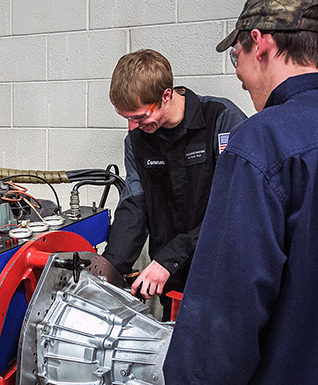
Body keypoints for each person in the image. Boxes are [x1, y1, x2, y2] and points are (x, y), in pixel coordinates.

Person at [164, 0, 318, 384]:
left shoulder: (261, 141)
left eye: (236, 57)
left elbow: (225, 315)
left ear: (260, 43)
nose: (238, 74)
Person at [102, 49, 246, 321]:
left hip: (221, 271)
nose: (133, 127)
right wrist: (106, 272)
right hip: (171, 278)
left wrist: (169, 259)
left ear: (165, 95)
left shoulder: (220, 119)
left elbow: (233, 208)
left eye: (140, 117)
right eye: (127, 119)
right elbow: (135, 205)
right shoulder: (137, 140)